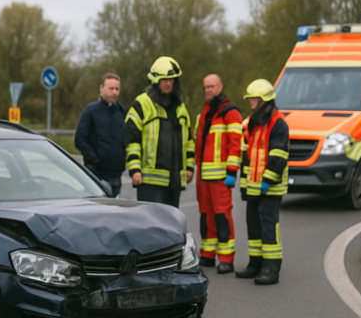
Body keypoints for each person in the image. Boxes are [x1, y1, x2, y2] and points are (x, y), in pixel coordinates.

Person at [236, 79, 289, 285]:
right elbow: (246, 157)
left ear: (264, 101)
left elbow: (278, 156)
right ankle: (255, 264)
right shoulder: (252, 123)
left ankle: (271, 268)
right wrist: (244, 186)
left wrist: (267, 180)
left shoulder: (278, 125)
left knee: (269, 227)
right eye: (250, 99)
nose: (250, 103)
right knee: (254, 226)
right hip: (254, 187)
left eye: (254, 99)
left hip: (271, 187)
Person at [124, 56, 195, 207]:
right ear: (155, 80)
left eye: (171, 79)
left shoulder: (180, 107)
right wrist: (135, 169)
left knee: (171, 224)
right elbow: (132, 140)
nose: (168, 83)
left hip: (175, 179)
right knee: (150, 224)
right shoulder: (142, 104)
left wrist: (189, 168)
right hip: (149, 181)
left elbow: (189, 141)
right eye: (164, 79)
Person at [194, 74, 243, 274]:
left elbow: (235, 144)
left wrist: (232, 171)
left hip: (221, 176)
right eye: (206, 87)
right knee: (206, 217)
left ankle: (226, 258)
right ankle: (207, 254)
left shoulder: (230, 113)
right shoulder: (205, 114)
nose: (209, 90)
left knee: (222, 217)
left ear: (220, 87)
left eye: (212, 86)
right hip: (203, 176)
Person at [74, 73, 127, 196]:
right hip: (96, 173)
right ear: (101, 88)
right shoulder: (90, 111)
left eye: (117, 89)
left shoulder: (122, 112)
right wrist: (94, 158)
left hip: (116, 173)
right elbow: (80, 139)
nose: (114, 92)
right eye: (111, 88)